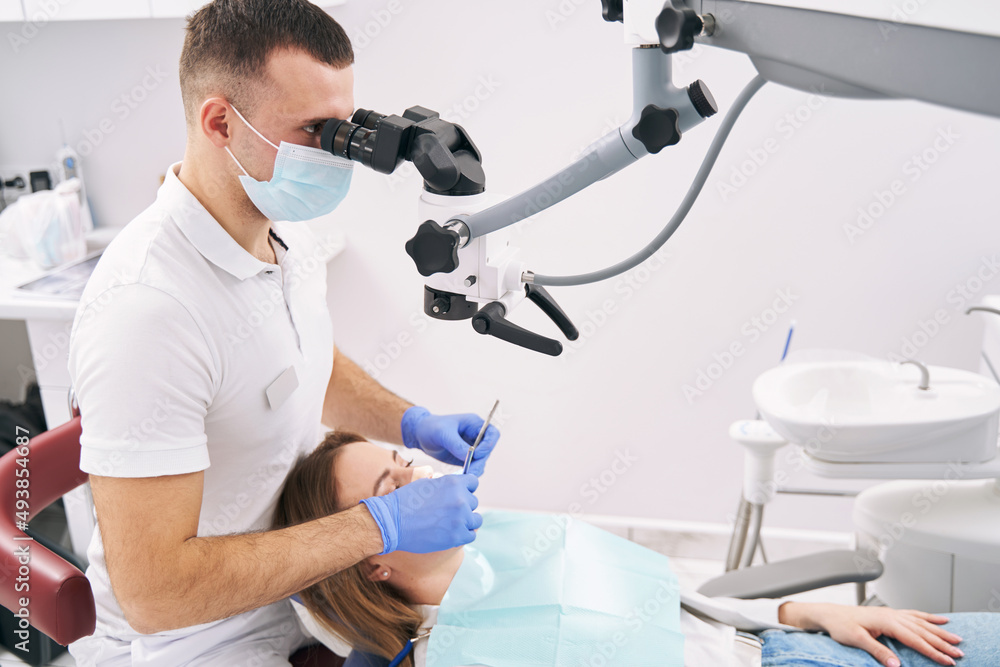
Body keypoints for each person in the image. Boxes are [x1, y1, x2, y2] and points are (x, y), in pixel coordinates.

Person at [65, 2, 498, 665]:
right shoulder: (148, 312)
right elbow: (157, 595)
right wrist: (377, 525)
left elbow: (296, 362)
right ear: (220, 123)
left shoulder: (283, 229)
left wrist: (411, 424)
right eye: (314, 131)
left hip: (293, 590)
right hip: (185, 636)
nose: (336, 154)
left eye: (343, 129)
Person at [273, 431, 1000, 667]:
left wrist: (802, 611)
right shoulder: (448, 654)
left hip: (794, 645)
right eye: (393, 485)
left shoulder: (513, 538)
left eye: (405, 459)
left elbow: (675, 599)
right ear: (372, 556)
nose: (421, 474)